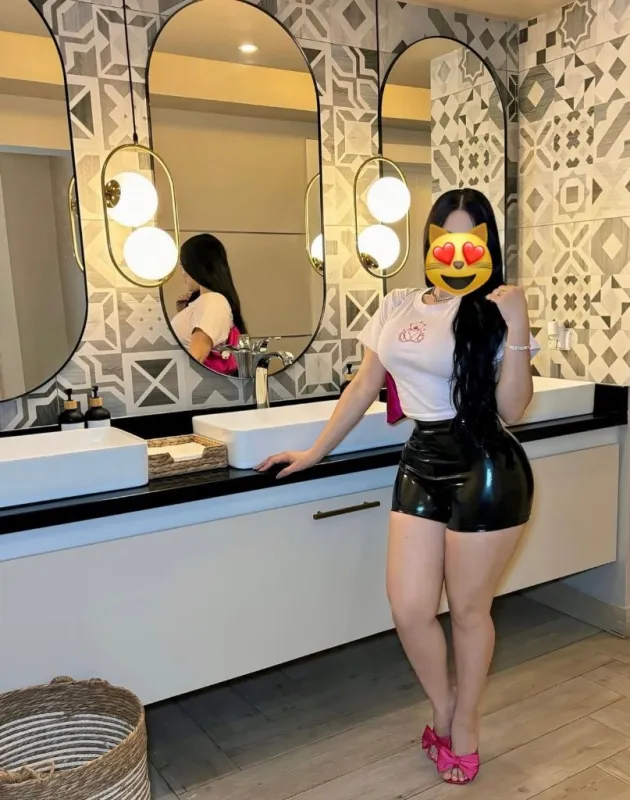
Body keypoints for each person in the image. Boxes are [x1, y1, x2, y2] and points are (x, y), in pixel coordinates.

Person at [256, 188, 538, 785]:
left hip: (486, 463)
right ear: (430, 242)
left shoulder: (495, 310)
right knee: (409, 608)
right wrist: (314, 452)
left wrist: (518, 323)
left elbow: (514, 409)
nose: (456, 253)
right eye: (444, 239)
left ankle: (465, 726)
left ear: (486, 247)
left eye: (469, 241)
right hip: (421, 458)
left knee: (468, 609)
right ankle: (444, 707)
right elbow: (363, 386)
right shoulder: (398, 305)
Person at [171, 234, 246, 374]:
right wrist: (184, 313)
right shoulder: (209, 302)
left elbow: (196, 360)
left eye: (183, 266)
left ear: (196, 266)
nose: (183, 274)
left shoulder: (213, 301)